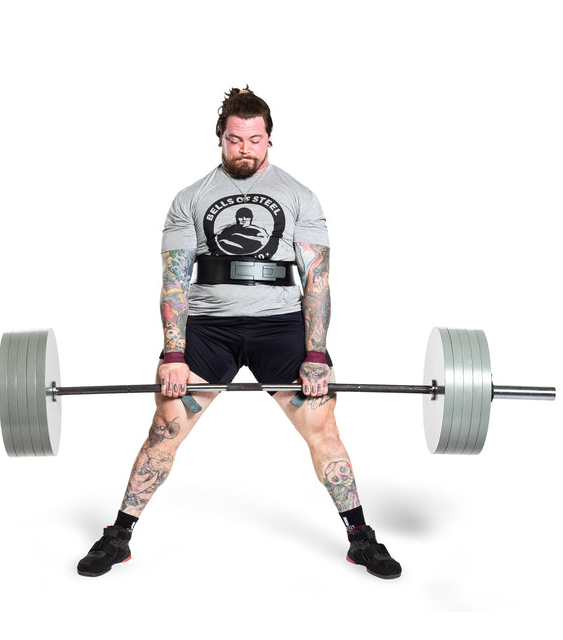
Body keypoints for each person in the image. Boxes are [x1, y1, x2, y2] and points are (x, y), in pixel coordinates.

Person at [77, 87, 402, 580]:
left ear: (269, 139)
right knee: (165, 427)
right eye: (235, 139)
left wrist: (316, 352)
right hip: (209, 329)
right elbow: (174, 281)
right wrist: (173, 353)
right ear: (220, 140)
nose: (245, 148)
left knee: (324, 429)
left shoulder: (300, 196)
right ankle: (118, 535)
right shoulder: (189, 199)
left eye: (255, 139)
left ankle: (360, 538)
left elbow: (317, 280)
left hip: (280, 329)